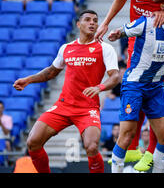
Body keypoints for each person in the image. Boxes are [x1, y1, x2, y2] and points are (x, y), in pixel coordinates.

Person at [13, 10, 120, 173]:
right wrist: (29, 79)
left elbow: (115, 77)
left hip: (87, 108)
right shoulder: (67, 48)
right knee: (33, 142)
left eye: (95, 20)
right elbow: (51, 71)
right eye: (88, 20)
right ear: (78, 24)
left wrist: (100, 87)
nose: (92, 23)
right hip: (63, 106)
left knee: (91, 147)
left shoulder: (104, 48)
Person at [96, 0, 164, 171]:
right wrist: (106, 23)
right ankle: (133, 147)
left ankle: (150, 153)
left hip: (162, 43)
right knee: (139, 85)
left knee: (155, 86)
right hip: (138, 37)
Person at [107, 0, 164, 173]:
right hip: (134, 85)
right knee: (126, 135)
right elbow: (124, 30)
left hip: (156, 88)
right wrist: (116, 33)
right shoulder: (147, 24)